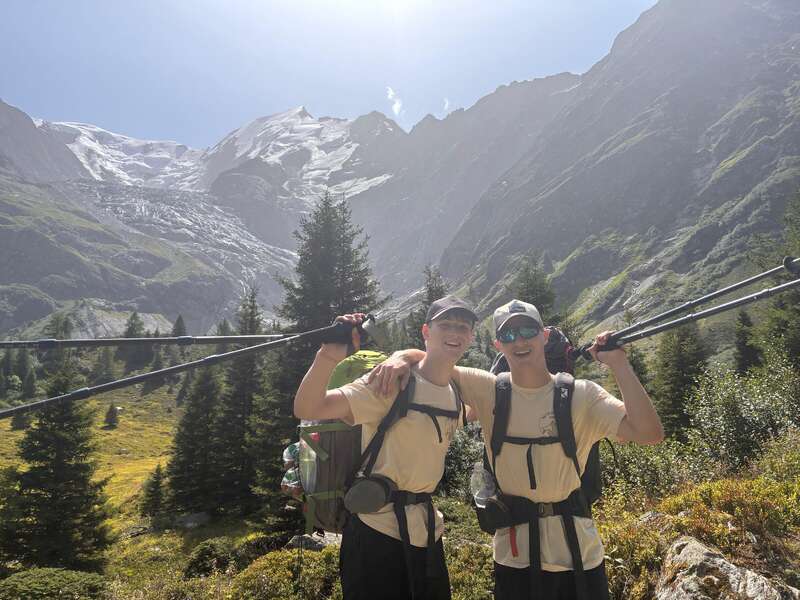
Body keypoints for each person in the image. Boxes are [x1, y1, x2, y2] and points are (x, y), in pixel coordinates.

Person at [371, 299, 664, 600]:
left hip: (578, 556)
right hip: (514, 559)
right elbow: (437, 360)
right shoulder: (487, 389)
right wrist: (402, 356)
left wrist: (618, 364)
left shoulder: (583, 395)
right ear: (498, 344)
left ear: (544, 335)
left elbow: (649, 433)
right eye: (509, 334)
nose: (519, 341)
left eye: (527, 330)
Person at [293, 296, 478, 600]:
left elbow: (485, 404)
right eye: (445, 324)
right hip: (375, 532)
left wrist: (407, 354)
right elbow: (308, 407)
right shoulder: (390, 383)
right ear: (426, 331)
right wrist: (327, 356)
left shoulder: (454, 394)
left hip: (428, 533)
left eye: (463, 327)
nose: (455, 333)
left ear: (471, 337)